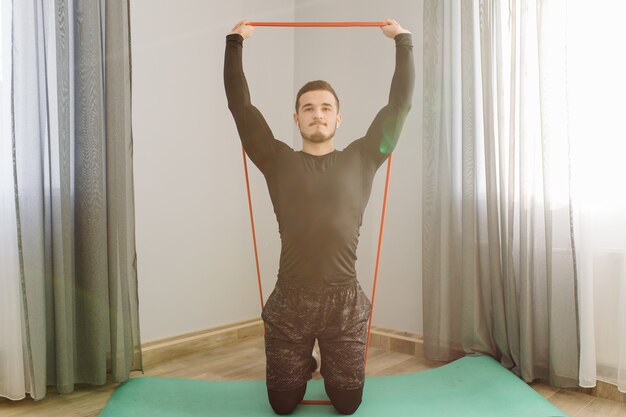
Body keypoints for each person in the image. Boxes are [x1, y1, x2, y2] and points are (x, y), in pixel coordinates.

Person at [224, 19, 414, 415]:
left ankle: (330, 358)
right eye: (308, 108)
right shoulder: (278, 162)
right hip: (290, 301)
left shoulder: (362, 158)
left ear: (338, 118)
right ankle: (304, 361)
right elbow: (241, 109)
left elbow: (399, 106)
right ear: (296, 119)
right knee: (282, 405)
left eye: (326, 108)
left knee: (346, 404)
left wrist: (402, 42)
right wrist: (235, 42)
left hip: (344, 302)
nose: (317, 114)